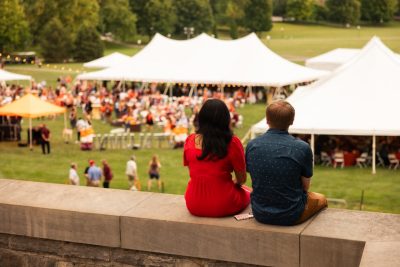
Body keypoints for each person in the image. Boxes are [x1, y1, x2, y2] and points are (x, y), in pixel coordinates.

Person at [246, 100, 327, 226]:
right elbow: (305, 188)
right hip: (291, 215)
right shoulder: (302, 148)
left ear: (267, 120)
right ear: (292, 121)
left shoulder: (252, 145)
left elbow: (254, 177)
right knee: (321, 199)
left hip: (260, 213)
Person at [183, 99, 250, 217]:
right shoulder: (232, 143)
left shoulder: (190, 140)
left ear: (201, 118)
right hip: (223, 204)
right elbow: (241, 179)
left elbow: (194, 173)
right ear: (225, 119)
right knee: (249, 192)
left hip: (193, 203)